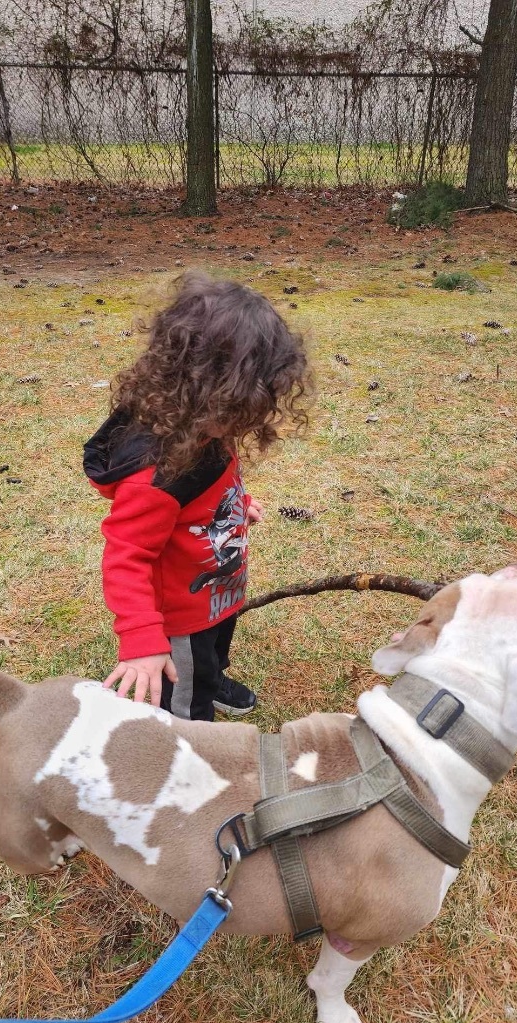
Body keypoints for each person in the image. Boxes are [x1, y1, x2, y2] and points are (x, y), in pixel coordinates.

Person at [83, 271, 310, 721]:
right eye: (244, 404)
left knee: (215, 646)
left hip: (216, 592)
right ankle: (191, 718)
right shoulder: (155, 478)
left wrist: (236, 505)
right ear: (204, 391)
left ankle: (211, 677)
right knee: (187, 701)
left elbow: (215, 481)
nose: (254, 416)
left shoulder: (206, 430)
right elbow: (126, 557)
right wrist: (142, 640)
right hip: (181, 617)